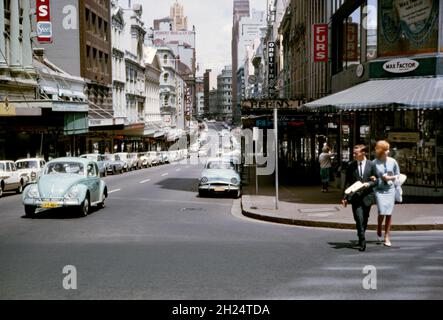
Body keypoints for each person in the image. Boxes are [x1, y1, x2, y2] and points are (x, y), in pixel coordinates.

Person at [342, 144, 377, 252]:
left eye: (356, 153)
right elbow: (347, 182)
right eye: (353, 153)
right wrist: (345, 197)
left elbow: (376, 180)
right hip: (355, 197)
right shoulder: (351, 165)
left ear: (363, 153)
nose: (354, 155)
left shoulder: (371, 165)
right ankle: (362, 240)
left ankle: (360, 232)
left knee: (365, 218)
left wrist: (370, 183)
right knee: (358, 218)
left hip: (367, 196)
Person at [373, 140, 400, 247]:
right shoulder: (374, 163)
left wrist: (391, 177)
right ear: (380, 151)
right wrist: (378, 179)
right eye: (386, 150)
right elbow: (372, 177)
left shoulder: (393, 161)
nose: (388, 151)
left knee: (389, 213)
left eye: (388, 149)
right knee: (381, 211)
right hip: (379, 190)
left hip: (390, 189)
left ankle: (387, 236)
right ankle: (379, 225)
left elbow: (398, 175)